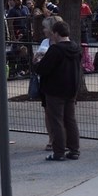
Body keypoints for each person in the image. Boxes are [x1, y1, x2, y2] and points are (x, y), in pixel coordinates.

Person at [35, 21, 81, 161]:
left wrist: (37, 61)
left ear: (56, 33)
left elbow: (42, 68)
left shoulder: (55, 50)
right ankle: (74, 150)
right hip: (71, 88)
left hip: (55, 90)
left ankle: (59, 152)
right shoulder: (75, 47)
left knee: (56, 121)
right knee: (70, 120)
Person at [32, 15, 65, 151]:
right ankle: (51, 138)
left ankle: (63, 139)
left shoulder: (63, 44)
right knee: (48, 112)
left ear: (53, 29)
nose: (43, 30)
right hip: (45, 82)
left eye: (45, 27)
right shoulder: (45, 42)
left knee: (62, 113)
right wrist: (37, 58)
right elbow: (35, 61)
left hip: (59, 83)